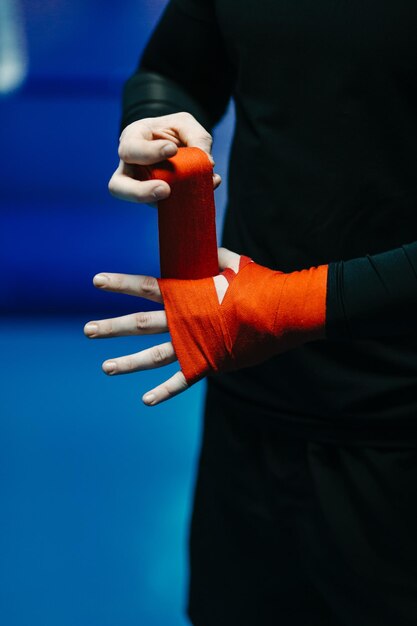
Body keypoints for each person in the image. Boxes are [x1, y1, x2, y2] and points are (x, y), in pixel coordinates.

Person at [84, 1, 417, 624]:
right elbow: (174, 67)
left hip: (398, 426)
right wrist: (154, 124)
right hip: (252, 408)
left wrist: (290, 305)